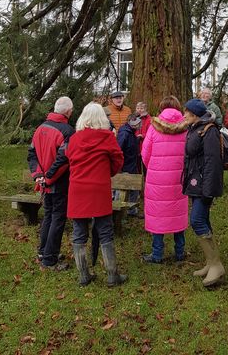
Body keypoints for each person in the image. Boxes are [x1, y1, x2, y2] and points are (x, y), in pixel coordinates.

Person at [66, 102, 126, 287]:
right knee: (105, 231)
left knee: (79, 233)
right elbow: (118, 160)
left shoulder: (75, 139)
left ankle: (83, 275)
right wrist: (106, 171)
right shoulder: (106, 137)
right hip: (99, 188)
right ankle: (111, 274)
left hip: (78, 189)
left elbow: (69, 158)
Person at [27, 96, 74, 270]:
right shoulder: (68, 131)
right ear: (68, 112)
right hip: (58, 182)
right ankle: (49, 258)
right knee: (57, 217)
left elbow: (31, 154)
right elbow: (64, 159)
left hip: (46, 182)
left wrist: (39, 176)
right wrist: (46, 177)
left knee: (49, 216)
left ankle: (44, 251)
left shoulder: (40, 128)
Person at [182, 98, 224, 287]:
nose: (184, 115)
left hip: (204, 185)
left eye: (186, 112)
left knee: (197, 220)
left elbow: (212, 162)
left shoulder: (210, 130)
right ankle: (211, 263)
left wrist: (208, 189)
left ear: (195, 114)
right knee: (203, 220)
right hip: (195, 182)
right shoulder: (195, 128)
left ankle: (216, 265)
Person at [141, 97, 188, 263]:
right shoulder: (186, 128)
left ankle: (157, 253)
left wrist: (154, 168)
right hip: (179, 177)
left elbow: (145, 154)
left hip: (157, 177)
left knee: (158, 214)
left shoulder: (154, 128)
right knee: (178, 213)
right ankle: (180, 252)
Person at [116, 113, 142, 217]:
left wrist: (137, 140)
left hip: (132, 164)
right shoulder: (125, 133)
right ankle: (118, 210)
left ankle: (132, 210)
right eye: (138, 123)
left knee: (134, 189)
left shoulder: (131, 132)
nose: (140, 126)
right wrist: (120, 167)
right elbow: (119, 149)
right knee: (121, 188)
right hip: (126, 166)